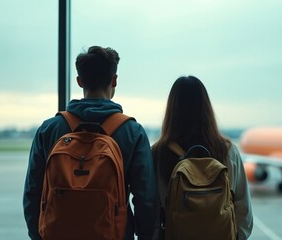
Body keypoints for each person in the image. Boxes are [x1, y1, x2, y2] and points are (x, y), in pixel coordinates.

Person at [23, 46, 158, 240]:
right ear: (114, 80)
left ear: (80, 81)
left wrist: (37, 235)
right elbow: (146, 198)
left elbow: (32, 193)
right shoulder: (132, 132)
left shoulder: (49, 129)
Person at [151, 76, 253, 239]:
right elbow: (244, 211)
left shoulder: (157, 154)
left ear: (171, 109)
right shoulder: (228, 151)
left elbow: (151, 213)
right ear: (206, 108)